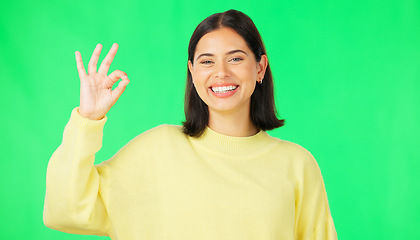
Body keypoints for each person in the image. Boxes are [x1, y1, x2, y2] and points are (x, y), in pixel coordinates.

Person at [43, 9, 337, 240]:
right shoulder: (156, 150)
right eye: (207, 62)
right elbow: (65, 210)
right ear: (192, 71)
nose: (221, 73)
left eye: (235, 58)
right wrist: (87, 119)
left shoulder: (297, 164)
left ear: (260, 67)